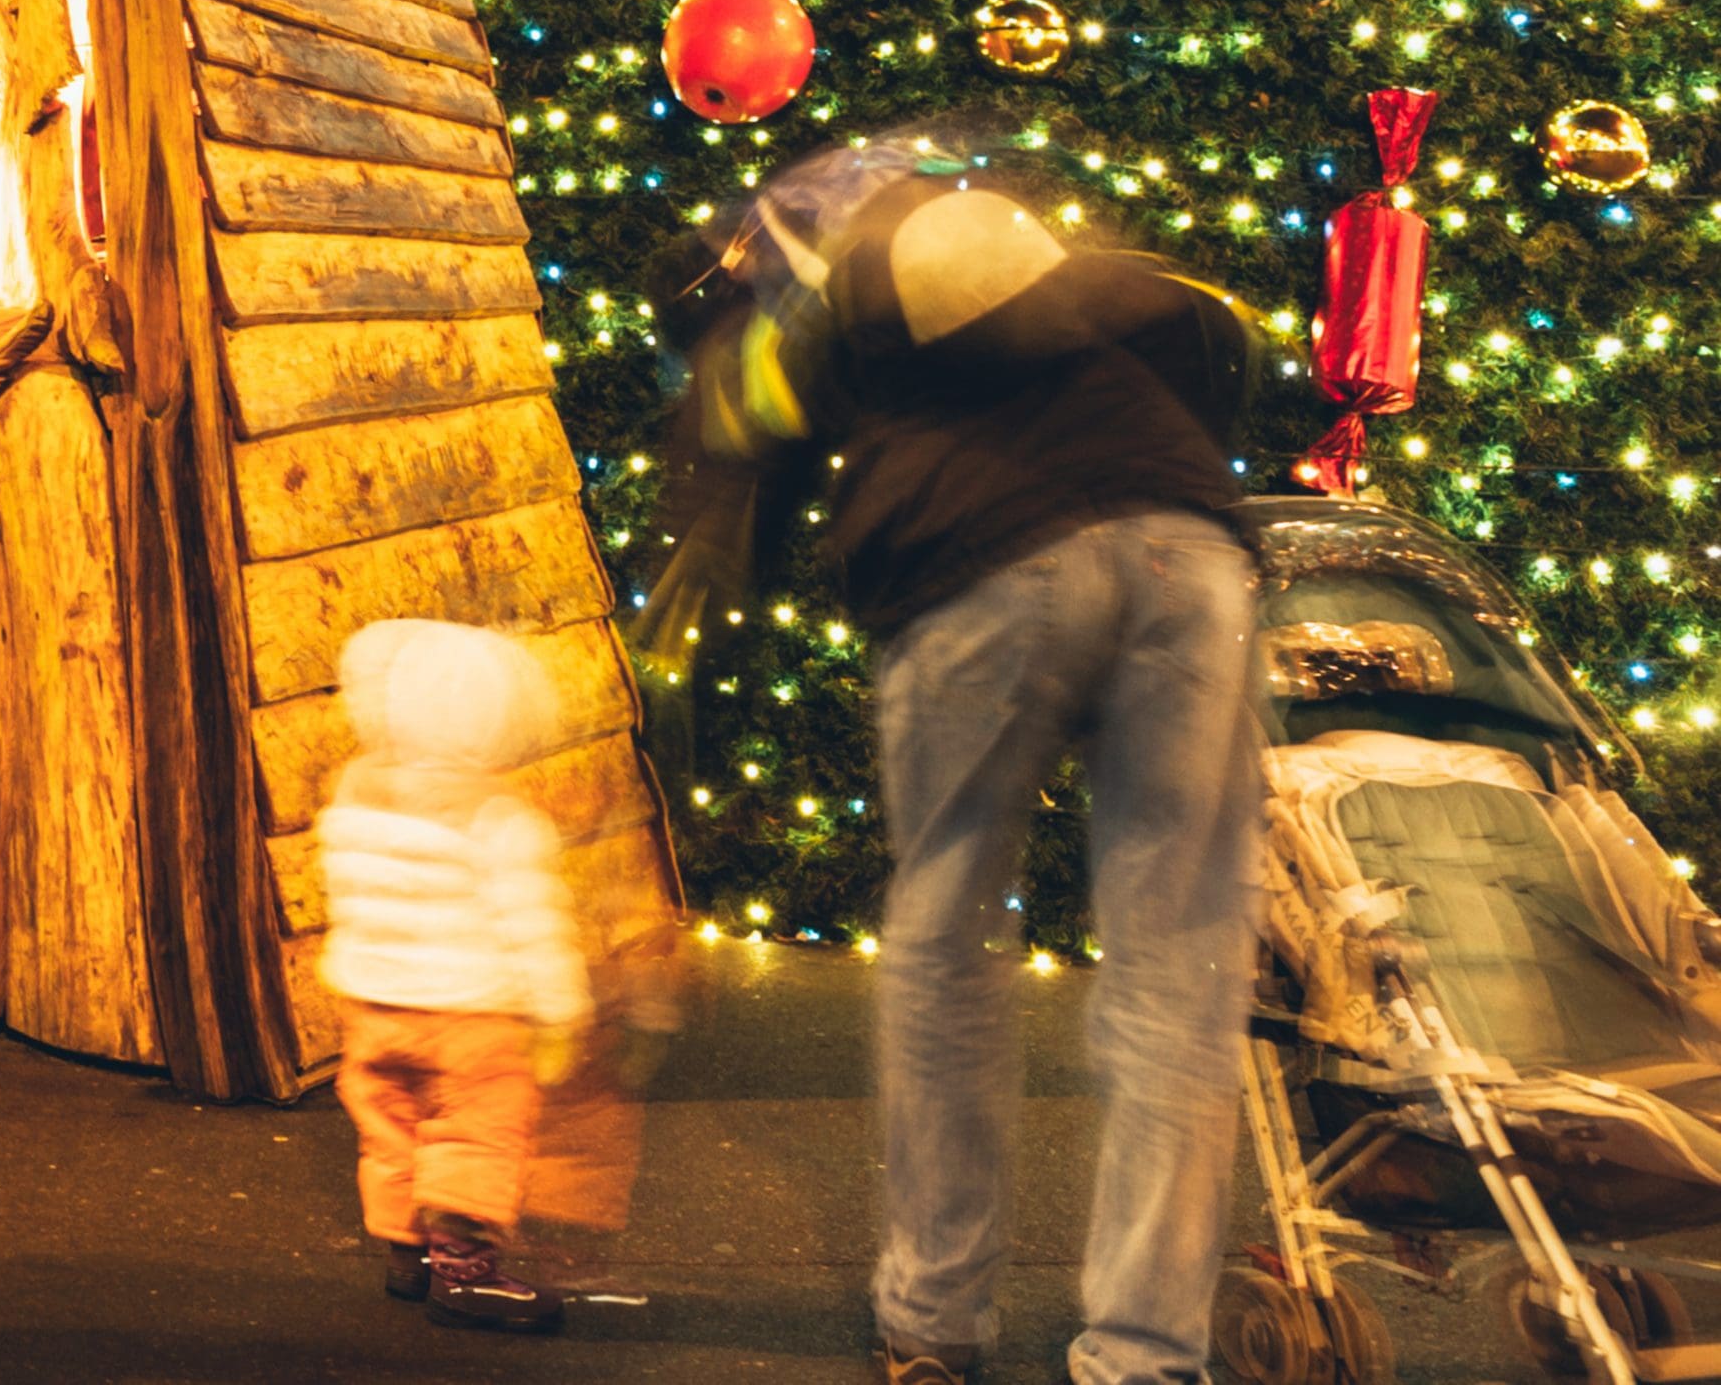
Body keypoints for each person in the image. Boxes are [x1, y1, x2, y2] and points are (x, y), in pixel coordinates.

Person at [638, 124, 1257, 1385]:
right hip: (1189, 550)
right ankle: (1143, 1353)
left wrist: (693, 578)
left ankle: (932, 1321)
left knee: (939, 936)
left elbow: (741, 432)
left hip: (973, 560)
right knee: (1178, 967)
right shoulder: (1033, 260)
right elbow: (1199, 344)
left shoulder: (814, 288)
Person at [321, 619, 613, 1329]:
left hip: (373, 1007)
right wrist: (560, 1006)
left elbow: (347, 893)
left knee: (393, 1127)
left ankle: (408, 1255)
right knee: (474, 1131)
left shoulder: (353, 795)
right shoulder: (498, 815)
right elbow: (532, 919)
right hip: (469, 1014)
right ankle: (464, 1271)